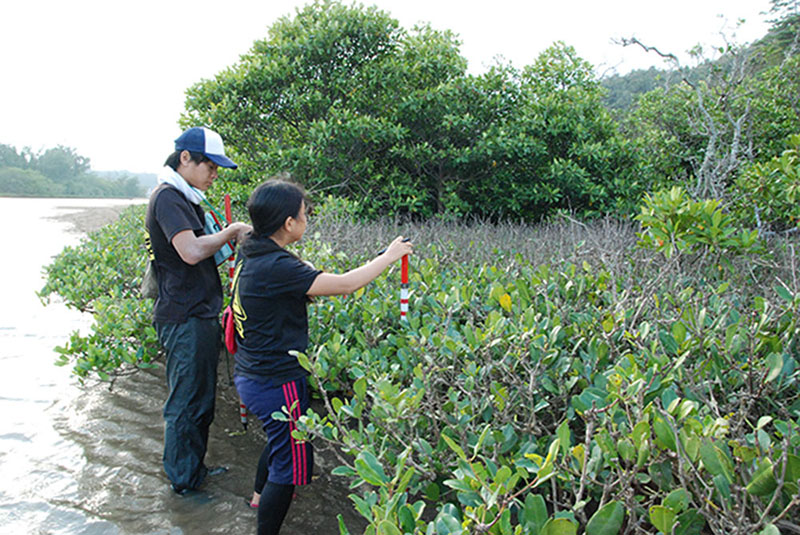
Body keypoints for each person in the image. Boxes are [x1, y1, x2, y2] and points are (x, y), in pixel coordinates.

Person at [231, 179, 413, 535]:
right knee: (290, 466)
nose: (306, 220)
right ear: (287, 223)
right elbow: (346, 285)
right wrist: (388, 257)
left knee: (279, 440)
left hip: (252, 374)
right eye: (303, 214)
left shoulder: (251, 248)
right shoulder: (276, 266)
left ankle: (256, 496)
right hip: (275, 381)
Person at [145, 126, 252, 495]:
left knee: (201, 400)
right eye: (210, 165)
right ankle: (183, 486)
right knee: (186, 403)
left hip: (198, 313)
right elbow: (190, 251)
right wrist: (232, 230)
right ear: (185, 158)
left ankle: (194, 470)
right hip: (184, 316)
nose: (214, 173)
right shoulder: (168, 198)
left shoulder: (186, 197)